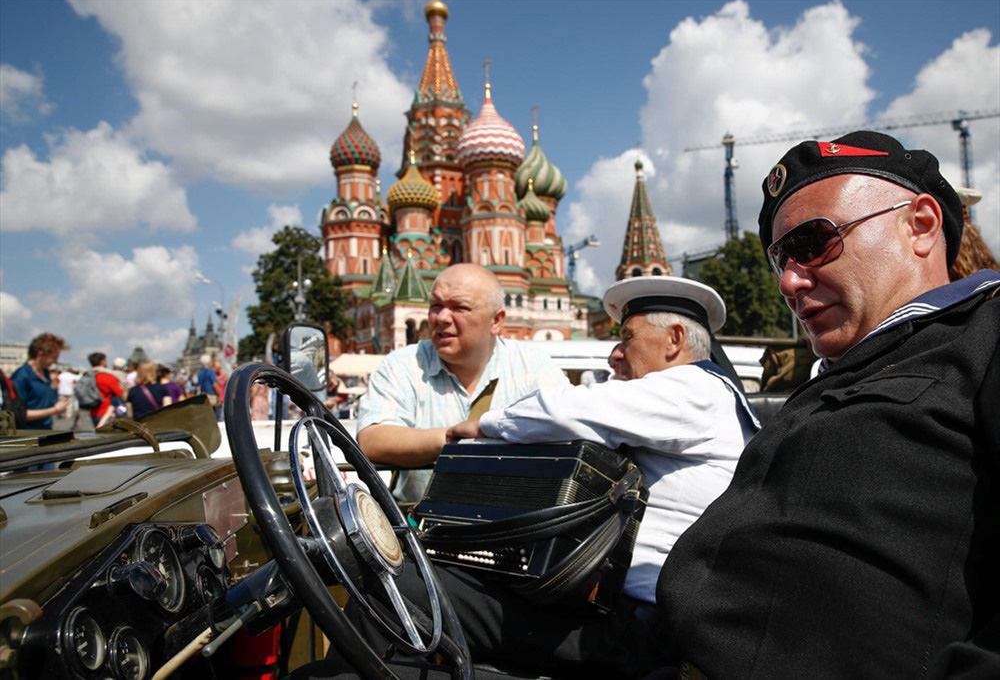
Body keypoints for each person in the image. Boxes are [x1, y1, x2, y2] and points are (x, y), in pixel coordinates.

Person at [658, 131, 1000, 677]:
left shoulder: (985, 334)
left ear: (920, 225)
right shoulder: (830, 376)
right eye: (778, 259)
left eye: (814, 241)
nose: (789, 281)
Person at [436, 276, 759, 677]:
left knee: (416, 590)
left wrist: (483, 424)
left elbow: (569, 409)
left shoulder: (694, 387)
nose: (615, 354)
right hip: (640, 615)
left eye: (627, 338)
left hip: (640, 624)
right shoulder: (704, 396)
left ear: (674, 340)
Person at [356, 263, 568, 501]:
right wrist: (454, 438)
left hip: (514, 527)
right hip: (421, 529)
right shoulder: (404, 364)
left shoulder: (532, 365)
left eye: (460, 307)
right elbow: (372, 441)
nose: (442, 318)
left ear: (496, 321)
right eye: (436, 305)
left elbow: (568, 427)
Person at [10, 333, 69, 430]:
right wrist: (55, 410)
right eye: (54, 357)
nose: (55, 361)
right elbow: (18, 414)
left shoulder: (45, 373)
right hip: (29, 434)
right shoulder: (22, 376)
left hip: (46, 429)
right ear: (40, 354)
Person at [85, 352, 126, 427]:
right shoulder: (107, 376)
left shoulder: (87, 376)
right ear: (102, 362)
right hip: (106, 412)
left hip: (93, 411)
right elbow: (120, 393)